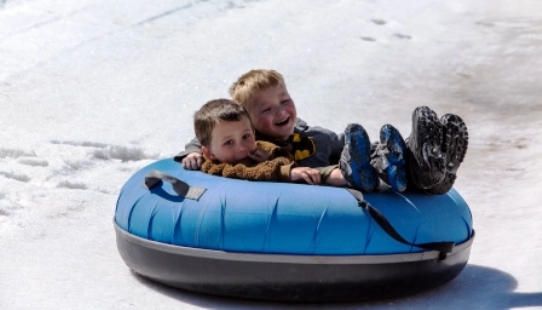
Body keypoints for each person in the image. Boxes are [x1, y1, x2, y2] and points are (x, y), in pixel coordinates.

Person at [177, 69, 468, 194]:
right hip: (320, 183)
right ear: (248, 122)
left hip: (350, 164)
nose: (280, 112)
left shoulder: (313, 134)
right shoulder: (251, 146)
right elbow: (213, 137)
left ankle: (428, 165)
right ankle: (415, 171)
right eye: (266, 110)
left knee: (378, 154)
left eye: (284, 100)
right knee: (357, 168)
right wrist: (192, 153)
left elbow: (348, 143)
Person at [194, 98, 353, 187]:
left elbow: (281, 155)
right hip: (294, 175)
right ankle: (354, 176)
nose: (241, 147)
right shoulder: (217, 167)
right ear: (209, 153)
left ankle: (372, 161)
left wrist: (269, 157)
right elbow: (248, 172)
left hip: (296, 168)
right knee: (322, 173)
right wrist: (287, 172)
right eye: (229, 142)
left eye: (246, 136)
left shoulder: (257, 149)